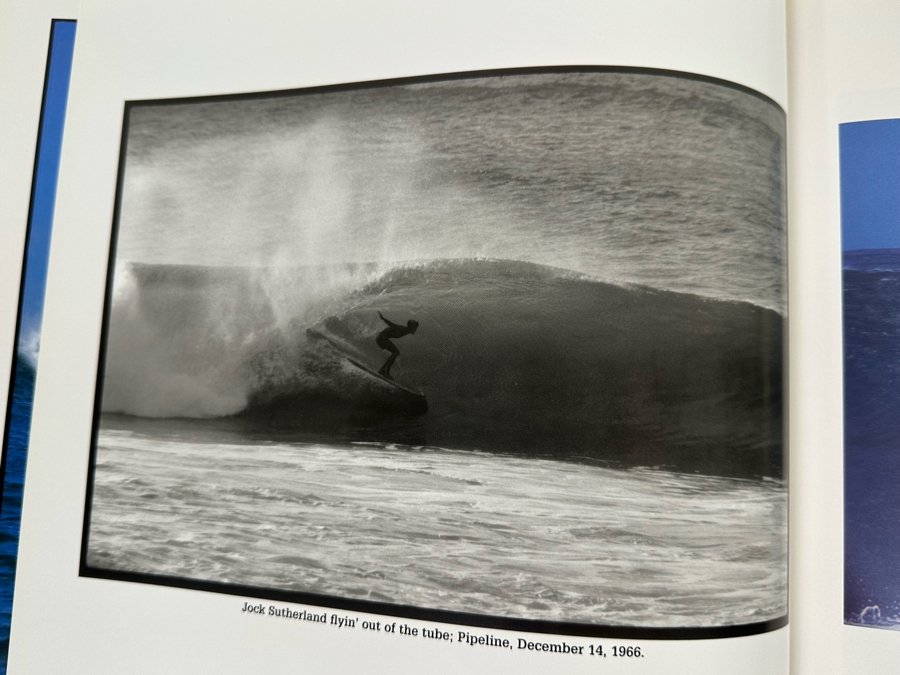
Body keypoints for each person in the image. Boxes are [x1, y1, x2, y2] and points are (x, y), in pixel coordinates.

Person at [376, 311, 419, 379]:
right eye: (415, 328)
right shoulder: (402, 329)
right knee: (396, 352)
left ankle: (382, 370)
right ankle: (386, 372)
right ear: (411, 327)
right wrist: (383, 318)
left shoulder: (406, 331)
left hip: (382, 338)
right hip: (381, 338)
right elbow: (391, 324)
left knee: (394, 353)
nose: (416, 330)